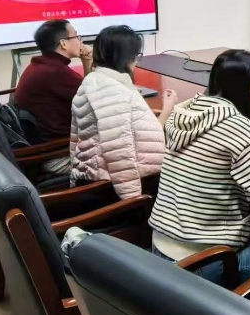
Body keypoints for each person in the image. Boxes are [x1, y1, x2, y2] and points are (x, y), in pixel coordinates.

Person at [148, 49, 250, 291]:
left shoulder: (182, 113)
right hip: (203, 265)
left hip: (159, 252)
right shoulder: (238, 128)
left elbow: (212, 148)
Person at [70, 25, 178, 199]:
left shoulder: (94, 81)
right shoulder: (114, 93)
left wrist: (144, 115)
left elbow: (78, 140)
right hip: (110, 188)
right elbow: (121, 157)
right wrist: (167, 111)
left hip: (94, 175)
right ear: (125, 58)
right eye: (136, 55)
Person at [15, 19, 93, 158]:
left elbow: (87, 91)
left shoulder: (42, 65)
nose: (80, 41)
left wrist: (86, 61)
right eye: (76, 36)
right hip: (58, 152)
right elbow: (95, 98)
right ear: (63, 43)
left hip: (48, 144)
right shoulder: (56, 72)